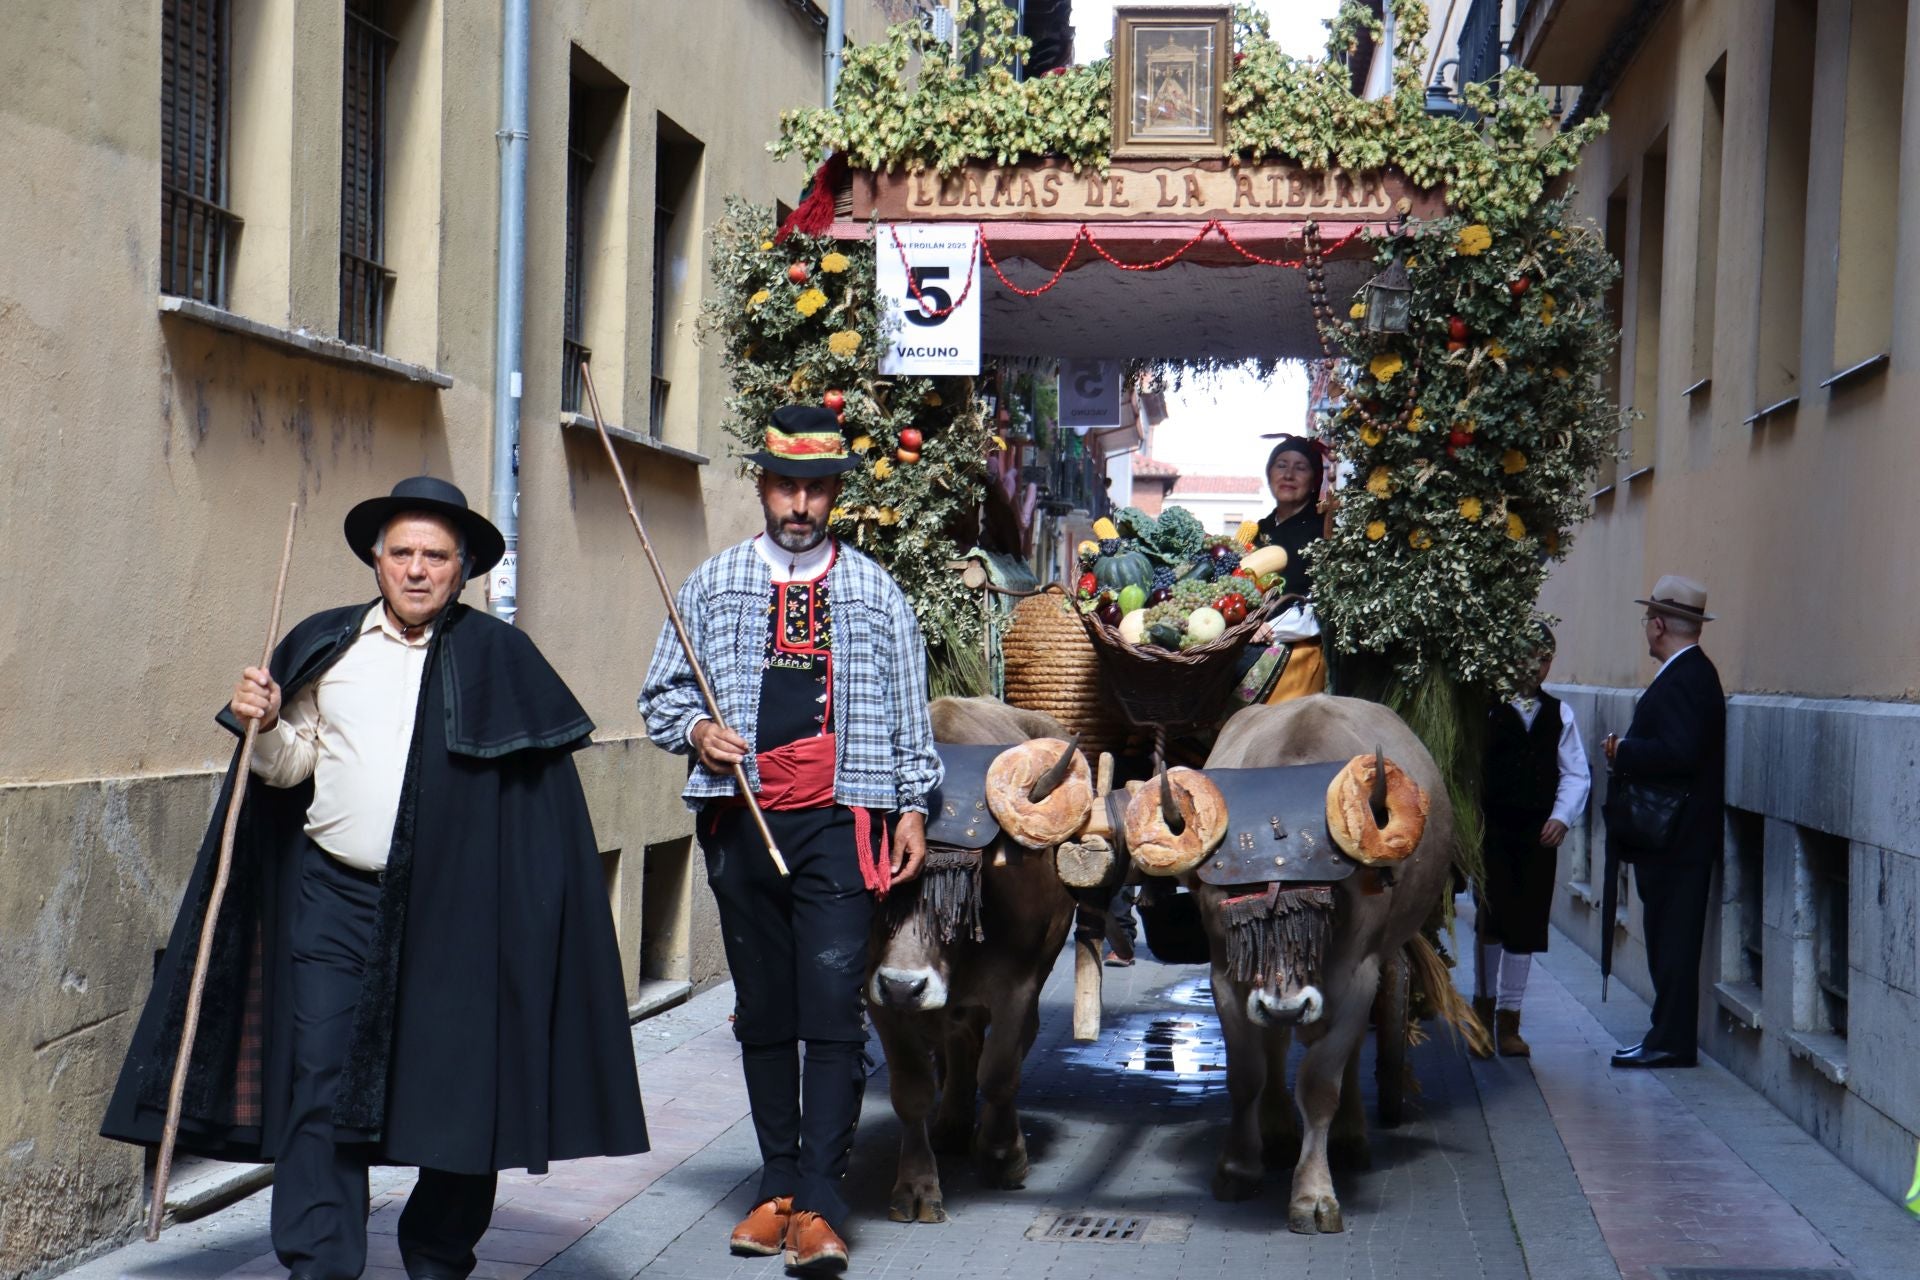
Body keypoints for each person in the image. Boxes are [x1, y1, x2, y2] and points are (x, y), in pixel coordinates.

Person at [102, 477, 648, 1280]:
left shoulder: (502, 659)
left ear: (462, 569)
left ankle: (436, 1255)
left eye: (436, 555)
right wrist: (260, 726)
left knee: (460, 1089)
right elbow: (289, 770)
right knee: (316, 1076)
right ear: (375, 559)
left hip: (458, 916)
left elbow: (539, 818)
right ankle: (319, 1263)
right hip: (335, 899)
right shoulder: (330, 644)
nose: (418, 570)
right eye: (403, 554)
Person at [640, 405, 940, 1274]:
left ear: (833, 494)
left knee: (832, 1009)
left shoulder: (875, 590)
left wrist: (913, 806)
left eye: (815, 488)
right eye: (785, 485)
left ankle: (819, 1200)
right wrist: (699, 731)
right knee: (765, 1012)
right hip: (742, 824)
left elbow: (906, 712)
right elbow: (660, 695)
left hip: (842, 828)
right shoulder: (712, 582)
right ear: (763, 486)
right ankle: (773, 1191)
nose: (799, 503)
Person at [1603, 575, 1726, 1070]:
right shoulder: (1690, 673)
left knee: (1672, 943)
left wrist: (1622, 750)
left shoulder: (1687, 677)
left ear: (1658, 625)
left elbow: (1679, 753)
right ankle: (1665, 1035)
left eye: (1645, 620)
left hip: (1677, 841)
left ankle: (1671, 1041)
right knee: (1666, 939)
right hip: (1677, 839)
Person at [1471, 623, 1591, 1058]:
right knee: (1491, 921)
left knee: (1526, 924)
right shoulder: (1487, 709)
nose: (1535, 666)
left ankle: (1510, 1020)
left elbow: (1576, 773)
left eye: (1543, 658)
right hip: (1495, 830)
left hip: (1536, 836)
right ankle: (1481, 1015)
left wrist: (1561, 817)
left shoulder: (1560, 714)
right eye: (1528, 656)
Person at [1237, 435, 1330, 705]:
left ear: (1314, 480)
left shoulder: (1323, 530)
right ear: (1269, 474)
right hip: (1251, 636)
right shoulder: (1260, 530)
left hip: (1297, 647)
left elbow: (1321, 605)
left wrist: (1269, 628)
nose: (1289, 474)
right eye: (1281, 465)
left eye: (1300, 468)